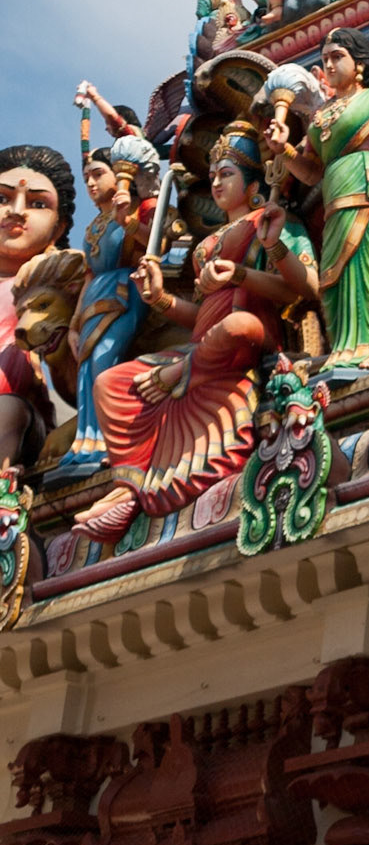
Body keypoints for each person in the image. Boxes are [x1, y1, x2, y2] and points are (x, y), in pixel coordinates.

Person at [72, 123, 317, 542]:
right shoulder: (208, 245)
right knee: (110, 383)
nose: (218, 182)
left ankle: (179, 375)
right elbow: (202, 315)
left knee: (236, 325)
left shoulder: (272, 220)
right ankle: (127, 486)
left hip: (247, 338)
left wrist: (249, 266)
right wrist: (161, 299)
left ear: (254, 183)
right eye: (215, 174)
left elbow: (305, 287)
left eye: (228, 173)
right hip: (204, 348)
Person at [265, 28, 369, 376]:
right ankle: (342, 349)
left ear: (359, 63)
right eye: (325, 58)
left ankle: (368, 350)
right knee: (332, 280)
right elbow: (312, 172)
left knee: (367, 272)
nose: (328, 64)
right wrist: (282, 148)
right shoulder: (320, 115)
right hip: (334, 204)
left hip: (368, 196)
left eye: (337, 57)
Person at [55, 148, 152, 474]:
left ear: (118, 174)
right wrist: (73, 324)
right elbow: (89, 275)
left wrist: (129, 222)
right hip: (95, 295)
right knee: (85, 372)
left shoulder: (136, 209)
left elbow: (158, 245)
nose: (91, 184)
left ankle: (116, 442)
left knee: (104, 364)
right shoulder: (93, 225)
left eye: (98, 174)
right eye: (87, 179)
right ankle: (88, 443)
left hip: (125, 289)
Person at [0, 148, 74, 467]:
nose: (15, 212)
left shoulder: (58, 291)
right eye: (2, 198)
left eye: (38, 203)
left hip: (18, 421)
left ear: (58, 228)